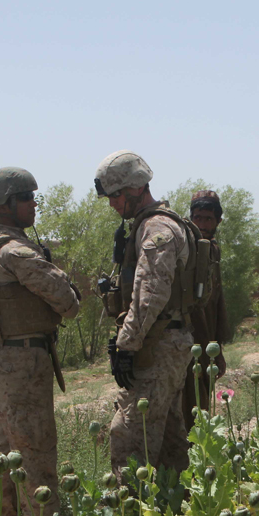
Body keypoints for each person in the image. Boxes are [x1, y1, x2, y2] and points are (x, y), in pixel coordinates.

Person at [0, 166, 80, 516]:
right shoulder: (16, 252)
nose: (34, 205)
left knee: (5, 447)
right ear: (6, 205)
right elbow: (67, 302)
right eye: (27, 198)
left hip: (6, 361)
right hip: (23, 363)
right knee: (34, 447)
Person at [95, 151, 195, 483]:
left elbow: (150, 294)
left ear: (137, 188)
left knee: (128, 437)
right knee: (167, 435)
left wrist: (126, 345)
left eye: (116, 195)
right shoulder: (149, 226)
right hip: (163, 342)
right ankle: (176, 512)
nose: (112, 204)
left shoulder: (157, 228)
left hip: (156, 344)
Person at [179, 190, 230, 431]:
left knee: (201, 397)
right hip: (187, 337)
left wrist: (217, 346)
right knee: (188, 400)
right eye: (197, 217)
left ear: (219, 221)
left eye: (208, 219)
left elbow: (216, 300)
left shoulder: (213, 250)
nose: (202, 224)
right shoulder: (183, 248)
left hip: (207, 338)